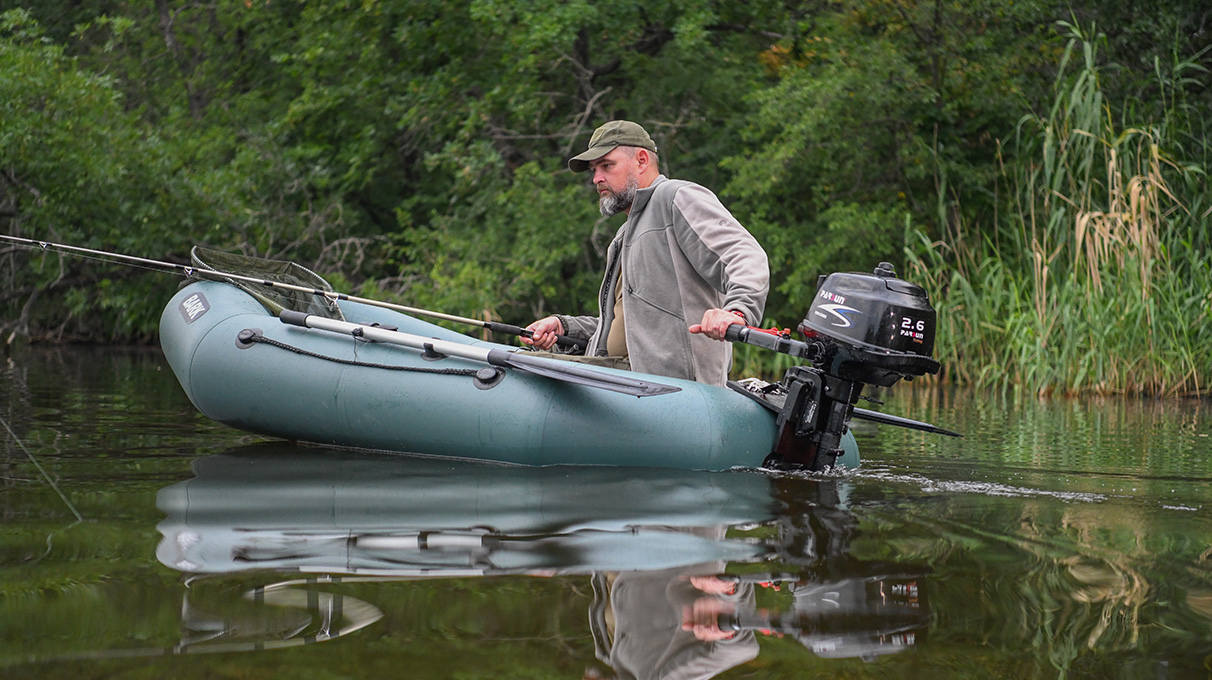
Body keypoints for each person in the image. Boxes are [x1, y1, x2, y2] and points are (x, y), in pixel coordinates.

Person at [523, 120, 769, 387]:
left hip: (671, 395)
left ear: (641, 161)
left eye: (607, 165)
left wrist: (736, 311)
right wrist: (565, 328)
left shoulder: (674, 197)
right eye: (594, 170)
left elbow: (744, 255)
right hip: (623, 386)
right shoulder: (624, 235)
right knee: (518, 363)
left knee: (519, 370)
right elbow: (632, 329)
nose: (597, 179)